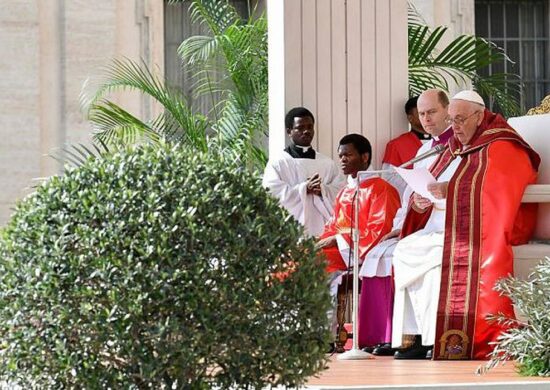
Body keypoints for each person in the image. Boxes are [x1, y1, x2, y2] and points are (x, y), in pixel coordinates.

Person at [391, 90, 540, 360]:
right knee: (405, 249)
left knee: (436, 256)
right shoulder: (455, 146)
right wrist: (420, 202)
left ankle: (440, 337)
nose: (454, 127)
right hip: (446, 225)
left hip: (483, 229)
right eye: (451, 120)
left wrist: (452, 189)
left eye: (460, 119)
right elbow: (431, 184)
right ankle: (419, 337)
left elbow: (499, 188)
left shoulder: (503, 144)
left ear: (479, 116)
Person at [359, 89, 452, 356]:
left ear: (447, 110)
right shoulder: (424, 149)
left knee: (409, 253)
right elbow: (411, 193)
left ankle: (425, 337)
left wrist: (435, 200)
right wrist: (412, 210)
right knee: (391, 251)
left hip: (447, 226)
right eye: (422, 114)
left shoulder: (458, 147)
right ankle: (399, 336)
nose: (426, 119)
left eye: (432, 112)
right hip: (424, 223)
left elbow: (464, 188)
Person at [317, 134, 400, 350]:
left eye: (348, 155)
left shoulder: (381, 188)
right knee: (295, 262)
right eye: (340, 156)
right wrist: (319, 242)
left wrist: (337, 241)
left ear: (365, 157)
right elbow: (332, 226)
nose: (342, 160)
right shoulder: (345, 191)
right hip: (340, 250)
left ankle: (323, 337)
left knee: (317, 269)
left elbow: (379, 230)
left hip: (358, 254)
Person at [263, 107, 345, 237]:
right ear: (289, 132)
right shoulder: (279, 163)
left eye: (310, 127)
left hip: (323, 228)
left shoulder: (327, 163)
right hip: (291, 229)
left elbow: (342, 192)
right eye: (300, 128)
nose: (306, 131)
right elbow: (271, 193)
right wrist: (304, 188)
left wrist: (322, 190)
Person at [382, 96, 431, 196]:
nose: (427, 117)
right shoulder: (396, 145)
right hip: (412, 201)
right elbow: (388, 179)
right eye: (421, 113)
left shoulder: (444, 141)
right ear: (410, 118)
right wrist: (420, 187)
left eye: (430, 112)